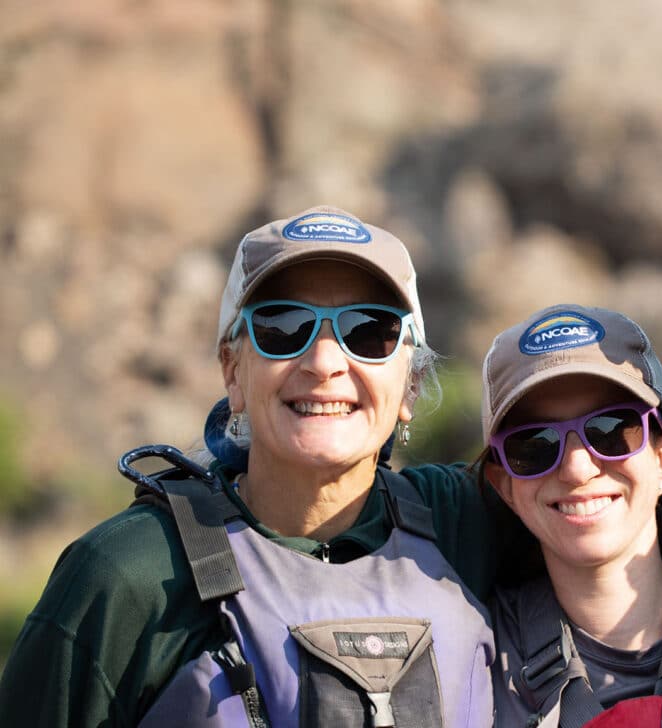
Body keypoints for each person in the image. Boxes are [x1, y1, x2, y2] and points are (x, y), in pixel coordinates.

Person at [0, 206, 496, 727]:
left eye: (369, 331)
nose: (325, 363)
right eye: (283, 327)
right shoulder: (127, 575)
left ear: (410, 386)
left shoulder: (467, 527)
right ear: (232, 372)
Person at [480, 303, 662, 727]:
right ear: (504, 486)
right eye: (535, 445)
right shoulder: (480, 652)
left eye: (613, 429)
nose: (578, 470)